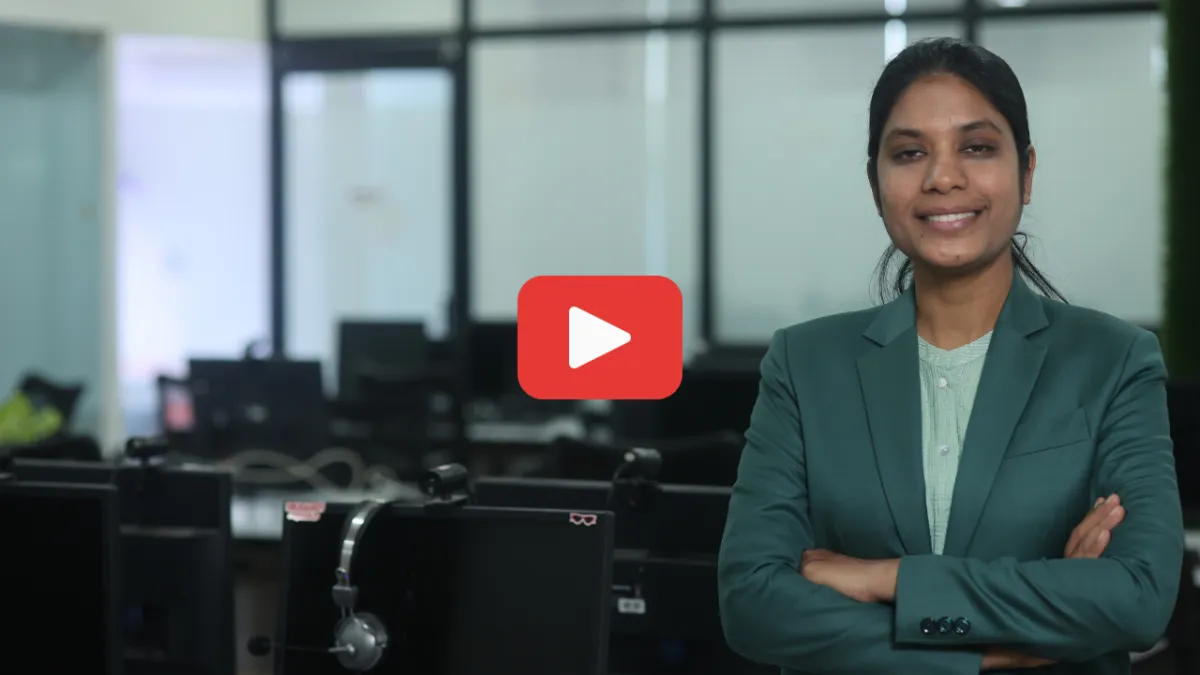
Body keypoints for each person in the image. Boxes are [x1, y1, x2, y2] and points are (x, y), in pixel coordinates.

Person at [717, 37, 1184, 675]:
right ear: (875, 183)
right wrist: (994, 651)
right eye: (910, 153)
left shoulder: (1113, 361)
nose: (942, 177)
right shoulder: (803, 364)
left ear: (1027, 172)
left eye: (977, 147)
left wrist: (888, 579)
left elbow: (1137, 599)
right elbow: (752, 603)